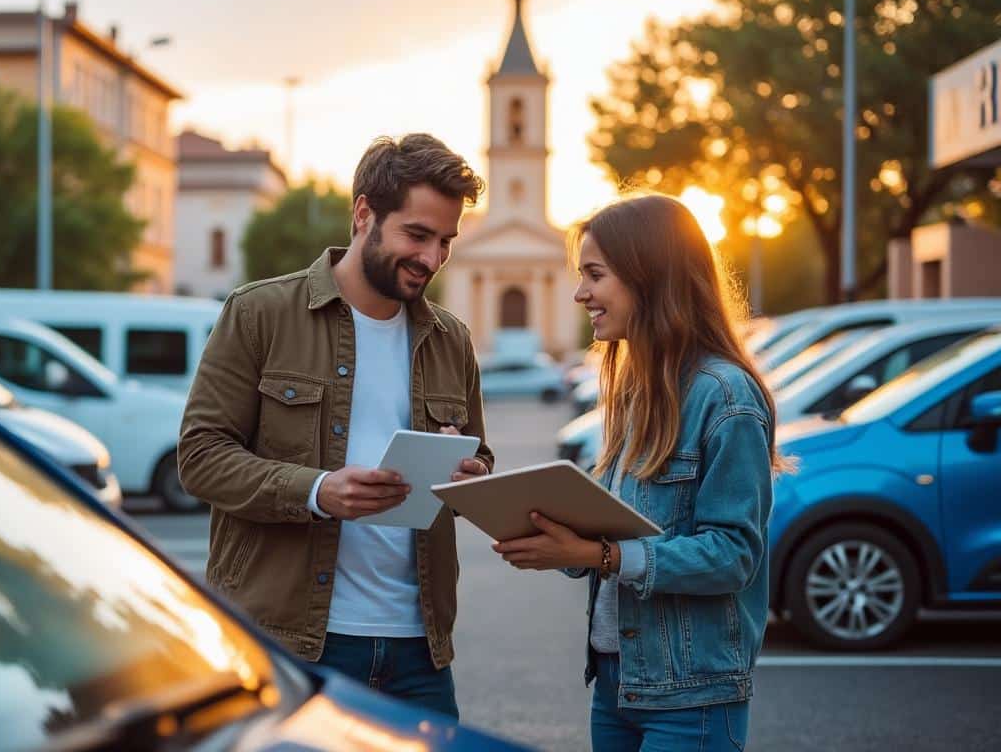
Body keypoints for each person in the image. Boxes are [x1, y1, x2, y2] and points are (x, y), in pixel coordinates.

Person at [178, 133, 492, 717]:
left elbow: (480, 460)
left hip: (419, 652)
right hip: (290, 644)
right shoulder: (259, 313)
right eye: (417, 235)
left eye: (446, 242)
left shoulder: (452, 340)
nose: (432, 258)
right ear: (364, 215)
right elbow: (200, 456)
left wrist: (471, 474)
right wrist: (319, 492)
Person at [492, 193, 787, 750]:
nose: (581, 293)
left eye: (595, 275)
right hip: (615, 681)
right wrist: (523, 519)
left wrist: (598, 556)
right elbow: (612, 529)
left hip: (690, 693)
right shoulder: (635, 390)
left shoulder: (726, 398)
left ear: (647, 276)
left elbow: (733, 555)